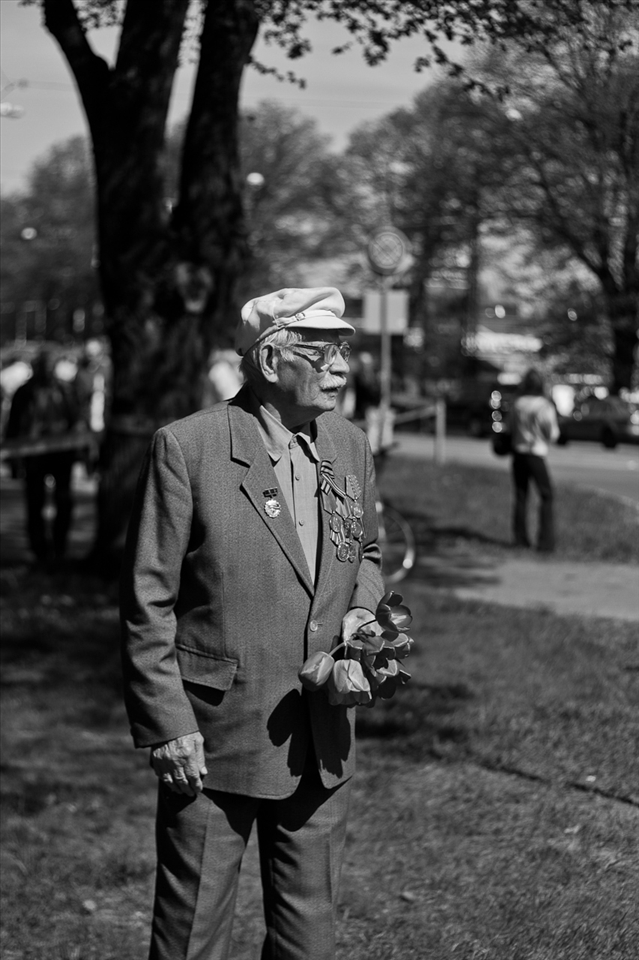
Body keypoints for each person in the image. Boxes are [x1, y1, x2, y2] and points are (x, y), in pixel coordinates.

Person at [120, 286, 385, 960]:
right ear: (270, 360)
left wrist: (361, 608)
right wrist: (168, 723)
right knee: (192, 939)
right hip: (212, 740)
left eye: (342, 350)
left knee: (308, 943)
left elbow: (367, 552)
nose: (340, 366)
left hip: (321, 737)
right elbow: (148, 598)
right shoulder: (189, 447)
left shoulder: (350, 444)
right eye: (322, 352)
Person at [4, 346, 81, 563]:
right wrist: (13, 458)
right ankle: (40, 550)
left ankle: (59, 548)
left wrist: (79, 450)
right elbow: (14, 425)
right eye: (43, 365)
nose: (46, 370)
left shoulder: (66, 391)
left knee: (63, 501)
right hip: (34, 456)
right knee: (34, 501)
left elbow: (76, 422)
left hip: (61, 454)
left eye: (49, 365)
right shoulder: (25, 392)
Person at [508, 368, 560, 552]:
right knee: (547, 495)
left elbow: (509, 428)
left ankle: (520, 539)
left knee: (521, 495)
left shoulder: (517, 403)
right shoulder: (544, 406)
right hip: (536, 453)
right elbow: (553, 434)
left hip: (518, 453)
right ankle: (545, 542)